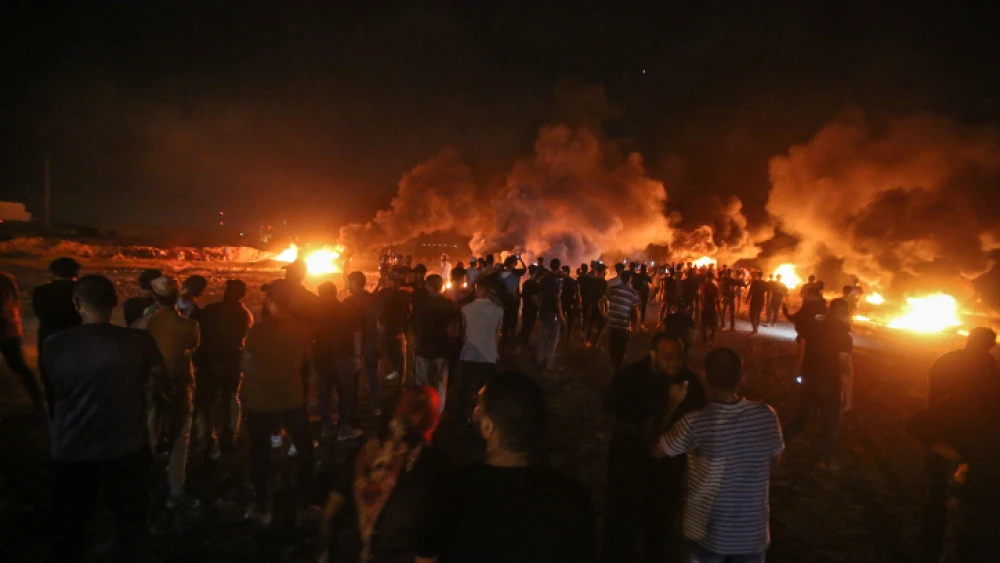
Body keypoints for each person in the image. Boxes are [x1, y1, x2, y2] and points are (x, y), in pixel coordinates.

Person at [44, 275, 166, 563]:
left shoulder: (55, 344)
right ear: (114, 302)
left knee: (72, 522)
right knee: (131, 521)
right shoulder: (139, 341)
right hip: (127, 445)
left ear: (77, 303)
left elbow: (55, 388)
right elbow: (160, 380)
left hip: (74, 446)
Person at [414, 372, 597, 563]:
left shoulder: (449, 490)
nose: (474, 410)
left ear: (488, 427)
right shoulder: (573, 499)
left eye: (479, 405)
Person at [652, 348, 784, 562]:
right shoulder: (767, 415)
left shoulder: (696, 422)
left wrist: (672, 404)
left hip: (708, 533)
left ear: (704, 376)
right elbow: (773, 464)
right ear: (741, 377)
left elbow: (657, 451)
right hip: (752, 534)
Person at [603, 335, 707, 563]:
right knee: (622, 529)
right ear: (653, 354)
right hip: (629, 470)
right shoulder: (631, 379)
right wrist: (670, 407)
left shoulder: (688, 382)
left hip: (668, 473)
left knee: (660, 529)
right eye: (668, 356)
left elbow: (702, 419)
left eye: (679, 357)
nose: (675, 363)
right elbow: (619, 421)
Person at [318, 386, 448, 563]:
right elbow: (425, 550)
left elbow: (329, 510)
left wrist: (324, 552)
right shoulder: (428, 468)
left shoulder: (364, 452)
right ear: (430, 421)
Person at [908, 327, 1000, 563]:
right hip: (967, 439)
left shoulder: (944, 359)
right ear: (990, 345)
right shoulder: (988, 367)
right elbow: (988, 406)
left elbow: (930, 393)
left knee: (935, 491)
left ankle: (930, 538)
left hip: (939, 433)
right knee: (961, 501)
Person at [241, 279, 316, 525]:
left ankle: (264, 509)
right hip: (292, 399)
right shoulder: (302, 329)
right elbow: (305, 365)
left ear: (273, 303)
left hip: (261, 403)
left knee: (260, 456)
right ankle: (304, 507)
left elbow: (247, 367)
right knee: (305, 452)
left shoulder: (257, 332)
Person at [142, 276, 201, 507]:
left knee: (148, 438)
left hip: (150, 388)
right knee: (179, 439)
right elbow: (192, 349)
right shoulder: (191, 327)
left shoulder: (141, 325)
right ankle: (176, 492)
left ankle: (142, 487)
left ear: (154, 296)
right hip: (179, 386)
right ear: (177, 296)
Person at [782, 298, 854, 471]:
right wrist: (849, 395)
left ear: (830, 310)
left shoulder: (812, 328)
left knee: (802, 417)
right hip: (829, 384)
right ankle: (826, 460)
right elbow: (844, 366)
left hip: (809, 380)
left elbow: (801, 353)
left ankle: (776, 444)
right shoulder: (844, 336)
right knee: (831, 424)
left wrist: (796, 376)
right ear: (845, 313)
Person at [194, 279, 253, 455]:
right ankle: (227, 437)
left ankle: (207, 437)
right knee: (229, 400)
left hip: (211, 362)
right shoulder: (244, 314)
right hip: (229, 362)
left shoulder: (212, 310)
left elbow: (201, 334)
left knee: (207, 402)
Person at [30, 258, 82, 412]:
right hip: (76, 340)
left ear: (53, 272)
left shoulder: (40, 291)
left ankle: (55, 416)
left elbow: (38, 313)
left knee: (50, 382)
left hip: (49, 338)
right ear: (76, 272)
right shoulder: (81, 290)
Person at [315, 281, 364, 441]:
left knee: (324, 394)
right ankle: (344, 428)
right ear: (334, 293)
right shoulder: (345, 309)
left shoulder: (316, 311)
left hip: (322, 357)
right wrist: (357, 355)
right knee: (346, 393)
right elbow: (356, 333)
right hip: (343, 357)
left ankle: (327, 427)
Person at [455, 279, 504, 422]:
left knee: (465, 386)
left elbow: (463, 330)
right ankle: (483, 415)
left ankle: (463, 414)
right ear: (489, 293)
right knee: (485, 388)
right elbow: (498, 332)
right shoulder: (498, 310)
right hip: (489, 354)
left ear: (477, 291)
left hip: (469, 352)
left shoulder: (466, 309)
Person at [413, 275, 460, 415]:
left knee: (423, 381)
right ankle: (439, 410)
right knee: (441, 382)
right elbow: (453, 329)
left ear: (428, 286)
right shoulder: (449, 304)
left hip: (424, 346)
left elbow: (415, 326)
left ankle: (423, 408)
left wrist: (416, 343)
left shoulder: (421, 303)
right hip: (442, 347)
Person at [2, 272, 45, 412]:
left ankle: (38, 401)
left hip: (5, 327)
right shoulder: (6, 279)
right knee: (19, 366)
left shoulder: (4, 280)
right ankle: (37, 401)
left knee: (18, 365)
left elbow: (4, 306)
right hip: (9, 327)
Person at [344, 271, 384, 417]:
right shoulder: (373, 299)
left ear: (354, 282)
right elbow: (380, 321)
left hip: (356, 343)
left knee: (353, 376)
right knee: (373, 375)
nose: (347, 284)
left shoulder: (349, 302)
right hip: (372, 342)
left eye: (349, 281)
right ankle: (376, 406)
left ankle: (352, 408)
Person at [377, 271, 412, 384]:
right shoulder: (401, 294)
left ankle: (398, 379)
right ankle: (396, 377)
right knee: (392, 354)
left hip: (394, 328)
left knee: (395, 355)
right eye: (393, 280)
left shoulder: (400, 294)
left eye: (395, 280)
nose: (394, 282)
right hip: (391, 328)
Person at [605, 270, 641, 369]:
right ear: (630, 279)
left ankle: (611, 365)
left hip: (612, 323)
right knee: (620, 349)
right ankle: (616, 368)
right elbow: (635, 312)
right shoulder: (633, 293)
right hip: (623, 325)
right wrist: (635, 326)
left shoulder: (612, 289)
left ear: (620, 278)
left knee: (612, 346)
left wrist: (605, 315)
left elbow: (602, 300)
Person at [533, 259, 564, 372]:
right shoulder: (557, 279)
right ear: (559, 266)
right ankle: (549, 364)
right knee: (553, 338)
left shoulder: (544, 278)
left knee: (543, 336)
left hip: (544, 311)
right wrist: (560, 314)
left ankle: (539, 360)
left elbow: (538, 292)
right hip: (553, 311)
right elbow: (558, 297)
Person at [498, 256, 527, 353]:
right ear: (512, 264)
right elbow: (524, 269)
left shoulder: (500, 274)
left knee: (504, 325)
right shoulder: (515, 275)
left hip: (503, 303)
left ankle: (502, 347)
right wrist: (521, 260)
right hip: (513, 303)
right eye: (515, 263)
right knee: (513, 325)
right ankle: (511, 350)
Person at [583, 264, 608, 347]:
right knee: (601, 324)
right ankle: (596, 342)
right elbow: (606, 296)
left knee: (591, 322)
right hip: (601, 306)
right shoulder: (604, 283)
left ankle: (587, 341)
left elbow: (588, 293)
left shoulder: (591, 281)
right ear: (602, 272)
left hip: (592, 304)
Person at [519, 265, 541, 345]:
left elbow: (523, 295)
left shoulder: (525, 283)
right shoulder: (535, 285)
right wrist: (538, 306)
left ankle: (521, 341)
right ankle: (525, 344)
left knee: (525, 326)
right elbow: (534, 298)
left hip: (525, 308)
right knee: (529, 327)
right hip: (532, 309)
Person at [560, 265, 581, 339]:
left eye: (563, 270)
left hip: (570, 303)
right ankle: (561, 334)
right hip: (562, 303)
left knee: (570, 319)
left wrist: (578, 303)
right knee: (562, 318)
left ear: (567, 272)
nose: (561, 272)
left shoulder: (572, 282)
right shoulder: (561, 281)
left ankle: (568, 334)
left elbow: (577, 293)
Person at [700, 272, 720, 344]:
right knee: (713, 323)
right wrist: (718, 307)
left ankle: (705, 338)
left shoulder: (704, 286)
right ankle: (711, 335)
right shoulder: (714, 287)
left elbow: (701, 297)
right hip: (712, 306)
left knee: (704, 324)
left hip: (706, 306)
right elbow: (717, 298)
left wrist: (701, 305)